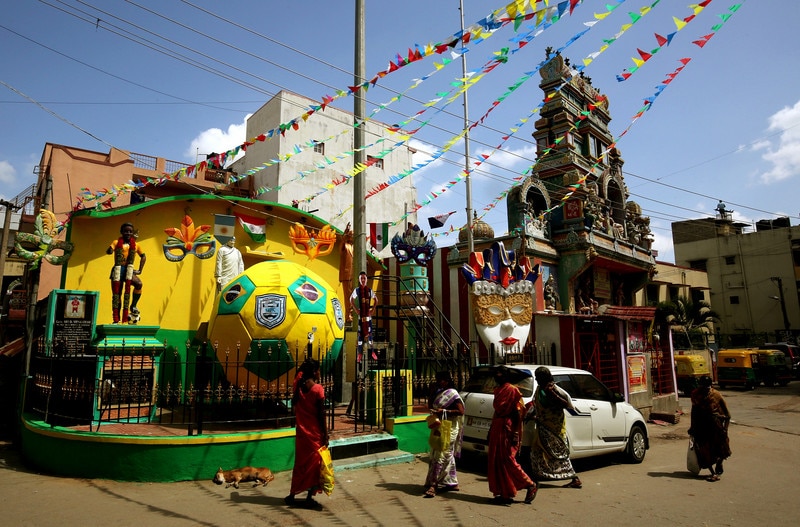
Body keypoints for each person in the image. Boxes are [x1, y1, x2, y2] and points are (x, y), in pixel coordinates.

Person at [521, 366, 582, 490]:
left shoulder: (552, 389)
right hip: (542, 426)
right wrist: (530, 415)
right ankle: (538, 476)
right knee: (537, 451)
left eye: (539, 378)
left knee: (558, 453)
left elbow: (566, 404)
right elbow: (536, 405)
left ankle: (574, 478)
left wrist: (552, 394)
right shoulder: (540, 389)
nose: (537, 380)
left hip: (554, 428)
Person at [487, 366, 537, 505]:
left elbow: (516, 414)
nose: (498, 375)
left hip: (508, 427)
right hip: (497, 426)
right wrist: (491, 429)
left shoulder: (512, 390)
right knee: (496, 460)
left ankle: (530, 484)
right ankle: (505, 493)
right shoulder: (497, 390)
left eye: (501, 373)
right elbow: (496, 412)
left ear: (506, 375)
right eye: (496, 373)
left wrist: (515, 433)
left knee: (508, 459)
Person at [285, 359, 329, 508]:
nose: (319, 373)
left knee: (300, 464)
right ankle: (309, 498)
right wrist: (326, 434)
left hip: (302, 433)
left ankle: (292, 494)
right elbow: (322, 414)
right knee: (314, 465)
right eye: (318, 370)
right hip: (314, 434)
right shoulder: (318, 389)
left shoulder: (298, 386)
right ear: (314, 372)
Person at [423, 371, 464, 498]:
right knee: (442, 453)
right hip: (438, 426)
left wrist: (445, 411)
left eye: (441, 380)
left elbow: (460, 411)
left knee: (441, 453)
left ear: (447, 380)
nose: (439, 382)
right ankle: (451, 482)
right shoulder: (437, 391)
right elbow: (430, 405)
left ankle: (434, 484)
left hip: (450, 427)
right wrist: (432, 392)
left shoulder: (453, 394)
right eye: (438, 380)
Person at [688, 375, 731, 482]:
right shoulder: (695, 394)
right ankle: (713, 473)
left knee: (721, 448)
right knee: (703, 450)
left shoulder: (716, 395)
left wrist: (725, 429)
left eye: (707, 387)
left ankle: (719, 465)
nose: (705, 390)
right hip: (701, 425)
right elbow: (694, 411)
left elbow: (727, 415)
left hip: (716, 425)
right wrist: (692, 427)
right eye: (703, 387)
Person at [106, 222, 146, 324]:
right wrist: (110, 250)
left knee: (139, 284)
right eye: (126, 231)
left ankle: (133, 305)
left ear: (132, 233)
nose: (128, 233)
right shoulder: (116, 242)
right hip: (118, 270)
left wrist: (140, 270)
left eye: (130, 231)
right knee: (117, 295)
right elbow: (110, 250)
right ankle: (116, 319)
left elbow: (143, 256)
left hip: (129, 270)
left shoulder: (136, 245)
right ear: (121, 232)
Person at [350, 271, 377, 362]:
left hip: (368, 316)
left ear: (366, 280)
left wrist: (372, 310)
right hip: (361, 315)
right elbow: (351, 300)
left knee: (370, 334)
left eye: (364, 278)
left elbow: (376, 300)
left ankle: (372, 352)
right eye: (361, 278)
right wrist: (356, 310)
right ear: (359, 280)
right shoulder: (357, 290)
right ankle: (360, 354)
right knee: (360, 335)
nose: (363, 280)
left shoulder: (369, 291)